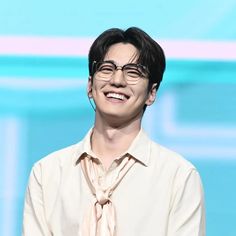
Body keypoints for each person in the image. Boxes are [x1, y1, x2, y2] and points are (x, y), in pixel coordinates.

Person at [23, 27, 205, 236]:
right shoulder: (47, 173)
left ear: (151, 93)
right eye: (107, 68)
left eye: (133, 72)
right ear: (90, 85)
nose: (117, 80)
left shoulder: (178, 177)